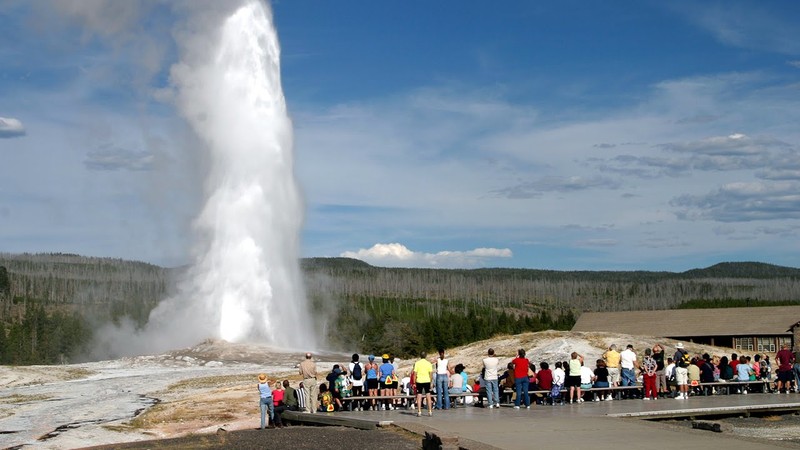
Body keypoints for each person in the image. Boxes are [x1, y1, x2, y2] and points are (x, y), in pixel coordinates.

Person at [413, 351, 434, 417]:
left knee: (419, 396)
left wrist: (414, 382)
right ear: (426, 356)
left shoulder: (417, 363)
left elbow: (414, 374)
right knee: (428, 395)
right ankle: (430, 411)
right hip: (427, 380)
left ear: (420, 356)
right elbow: (431, 374)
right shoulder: (429, 363)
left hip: (419, 381)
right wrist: (430, 382)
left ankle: (419, 411)